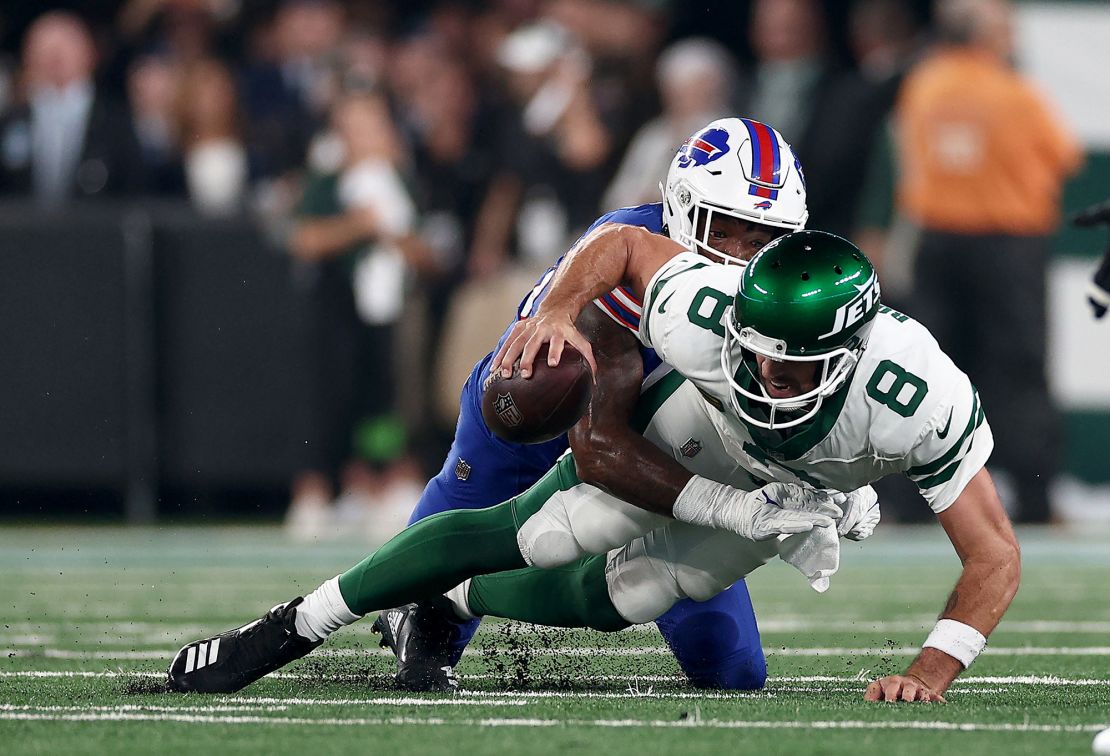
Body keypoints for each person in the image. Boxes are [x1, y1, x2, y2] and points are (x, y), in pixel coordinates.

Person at [167, 229, 1013, 704]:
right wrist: (564, 310)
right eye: (753, 355)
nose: (764, 376)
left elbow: (994, 556)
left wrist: (928, 671)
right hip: (704, 429)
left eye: (789, 368)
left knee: (632, 596)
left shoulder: (915, 396)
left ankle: (453, 596)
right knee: (551, 531)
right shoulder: (707, 319)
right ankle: (296, 621)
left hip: (793, 491)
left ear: (847, 355)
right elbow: (626, 246)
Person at [172, 117, 814, 694]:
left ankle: (464, 593)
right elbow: (598, 448)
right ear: (679, 211)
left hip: (663, 451)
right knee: (420, 611)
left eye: (763, 238)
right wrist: (730, 507)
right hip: (538, 428)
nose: (738, 256)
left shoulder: (791, 294)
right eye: (724, 231)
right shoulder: (631, 269)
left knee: (732, 670)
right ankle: (348, 613)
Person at [893, 0, 1083, 523]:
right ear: (987, 36)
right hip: (1006, 246)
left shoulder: (923, 85)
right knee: (1018, 371)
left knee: (928, 370)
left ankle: (913, 501)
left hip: (939, 243)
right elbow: (1063, 155)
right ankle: (1035, 496)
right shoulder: (1013, 92)